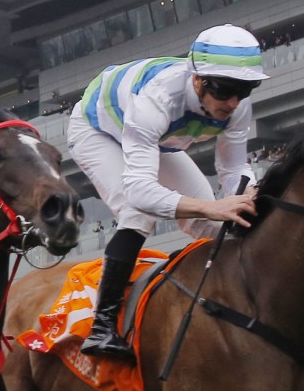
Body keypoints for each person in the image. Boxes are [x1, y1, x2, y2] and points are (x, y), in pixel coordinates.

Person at [67, 24, 266, 358]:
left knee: (213, 226)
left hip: (155, 141)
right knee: (138, 213)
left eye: (244, 90)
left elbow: (234, 170)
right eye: (225, 91)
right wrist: (210, 206)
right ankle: (102, 327)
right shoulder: (158, 98)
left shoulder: (237, 106)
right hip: (97, 131)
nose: (233, 102)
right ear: (198, 80)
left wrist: (249, 193)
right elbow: (140, 192)